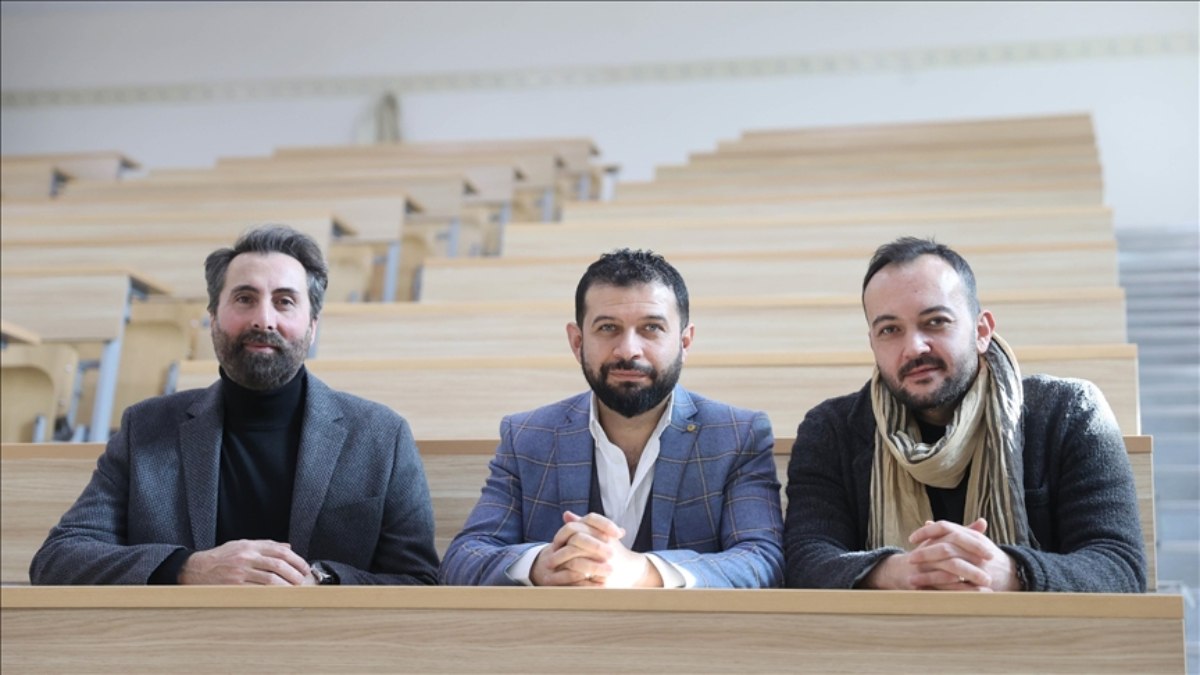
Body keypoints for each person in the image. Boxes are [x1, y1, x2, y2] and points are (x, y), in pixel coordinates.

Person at [31, 225, 440, 586]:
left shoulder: (381, 436)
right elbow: (58, 559)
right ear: (213, 319)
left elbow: (418, 579)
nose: (264, 320)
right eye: (245, 298)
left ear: (312, 326)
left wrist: (321, 581)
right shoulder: (146, 427)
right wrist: (188, 568)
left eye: (285, 301)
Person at [784, 237, 1146, 592]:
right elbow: (804, 559)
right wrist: (897, 571)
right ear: (873, 343)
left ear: (981, 330)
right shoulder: (831, 429)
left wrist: (1011, 572)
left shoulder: (1069, 411)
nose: (914, 347)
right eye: (890, 330)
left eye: (935, 321)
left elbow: (1118, 566)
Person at [440, 249, 783, 588]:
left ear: (684, 342)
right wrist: (540, 565)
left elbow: (762, 561)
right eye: (608, 328)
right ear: (577, 342)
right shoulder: (526, 436)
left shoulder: (739, 435)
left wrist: (641, 571)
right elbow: (463, 558)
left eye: (651, 328)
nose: (628, 350)